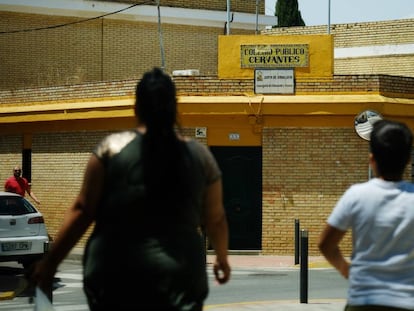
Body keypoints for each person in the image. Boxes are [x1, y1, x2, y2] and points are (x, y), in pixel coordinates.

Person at [28, 67, 231, 310]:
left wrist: (50, 264)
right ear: (175, 109)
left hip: (114, 276)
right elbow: (216, 219)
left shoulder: (110, 150)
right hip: (179, 279)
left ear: (136, 108)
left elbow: (83, 210)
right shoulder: (200, 157)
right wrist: (221, 258)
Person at [318, 119, 414, 311]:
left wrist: (346, 269)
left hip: (363, 301)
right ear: (408, 160)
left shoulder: (356, 195)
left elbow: (326, 244)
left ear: (372, 160)